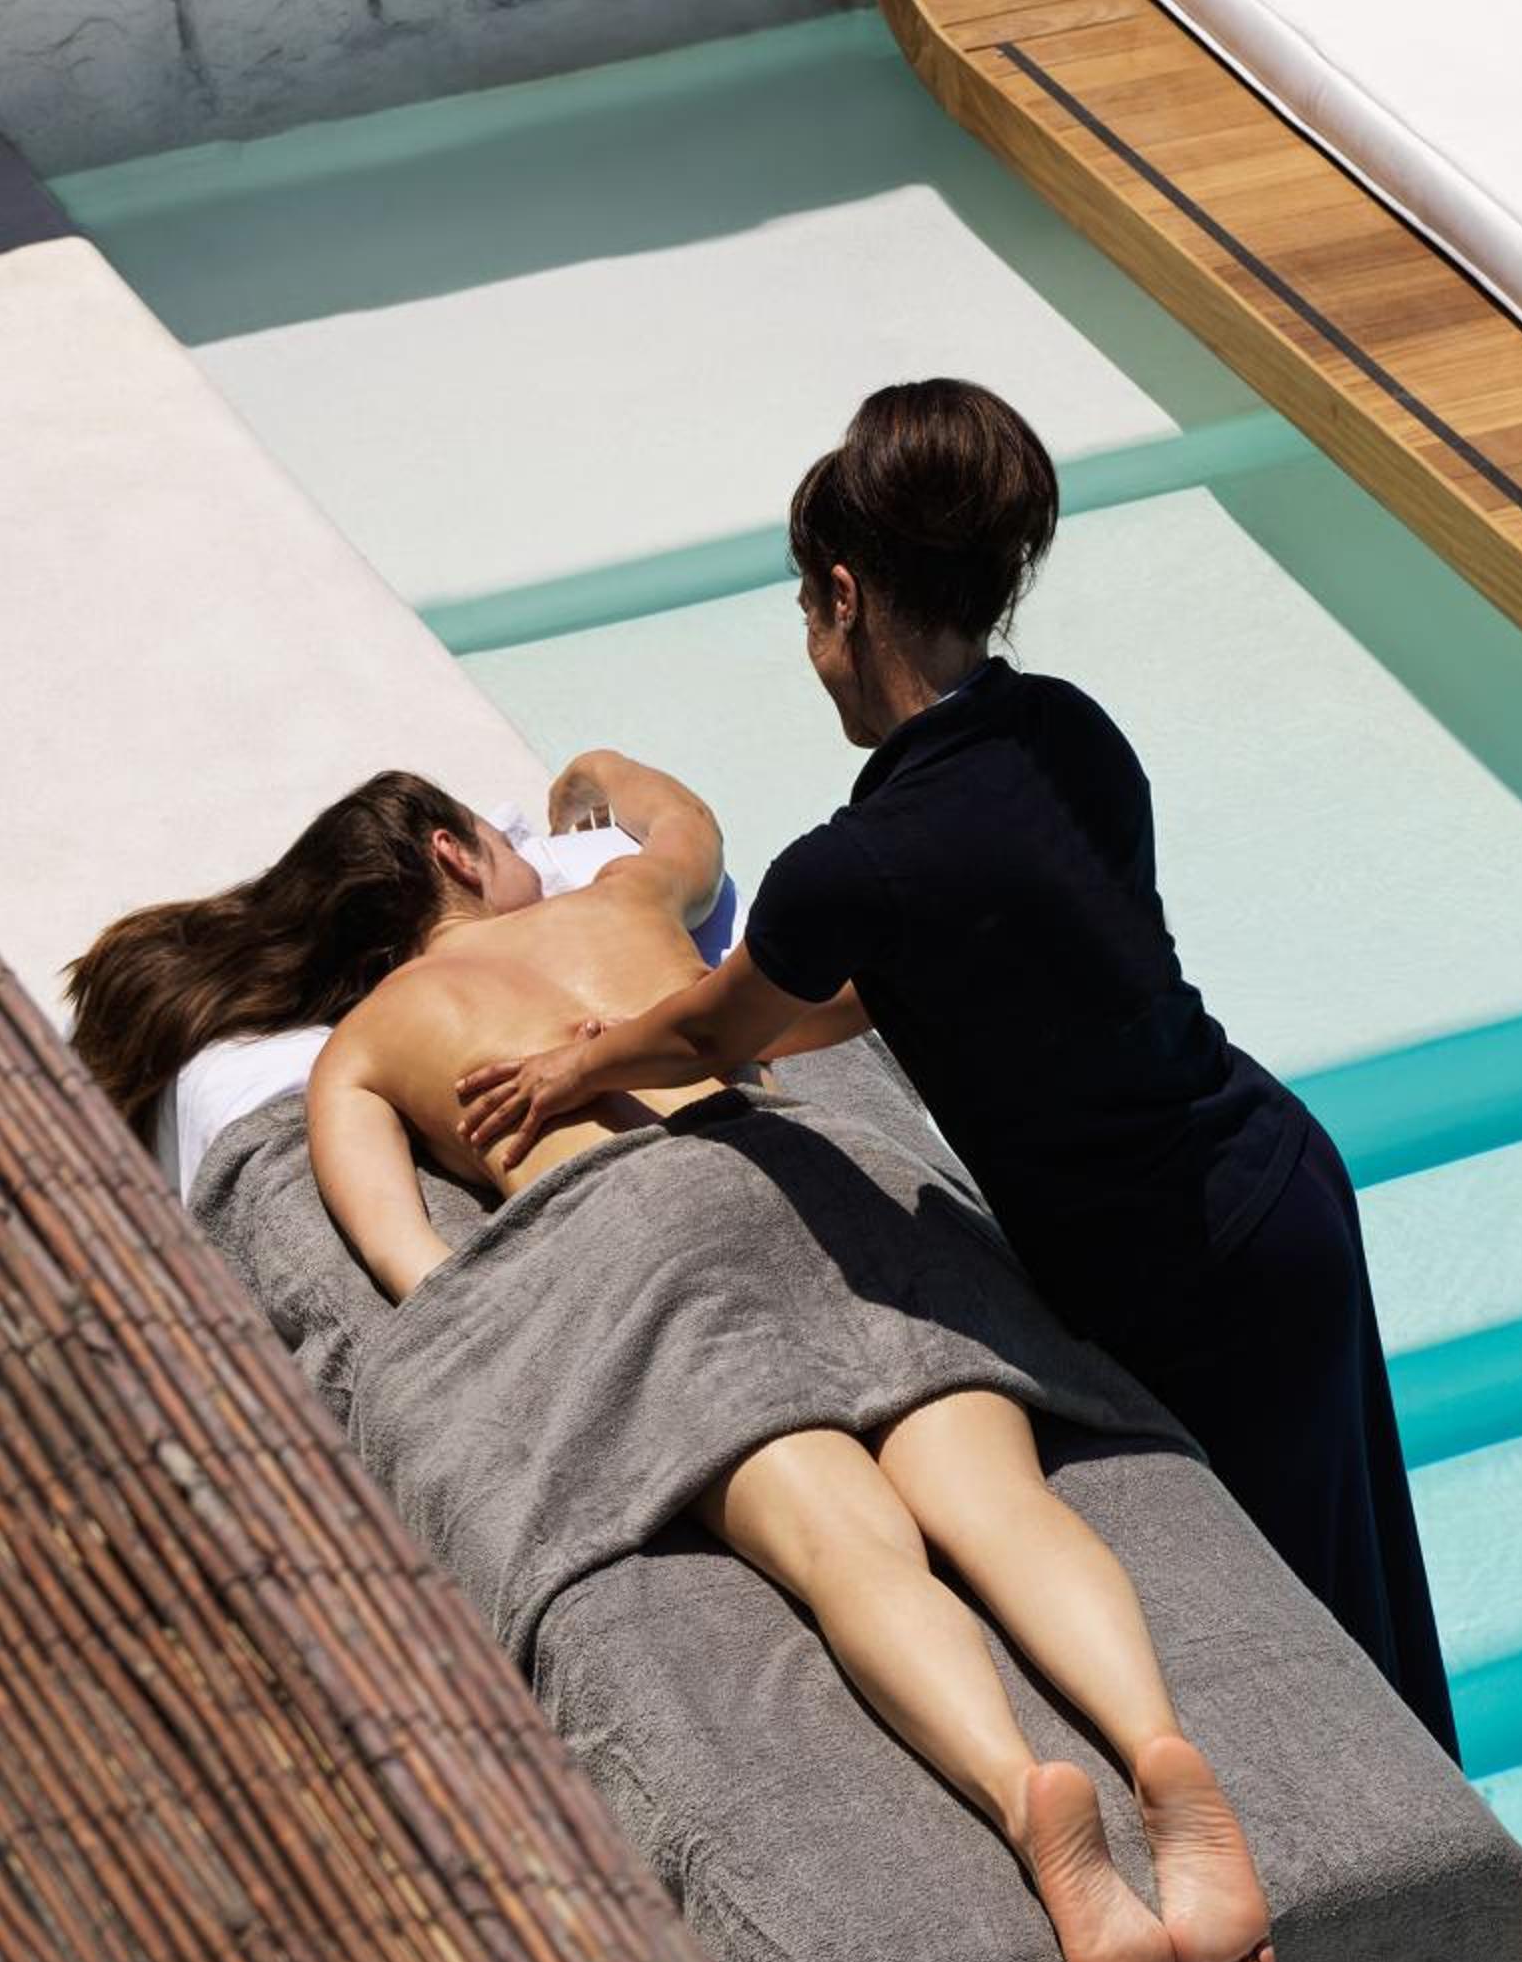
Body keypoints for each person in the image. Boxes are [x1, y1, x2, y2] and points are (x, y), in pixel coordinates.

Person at [65, 757, 1275, 1962]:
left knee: (850, 1550)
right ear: (451, 852)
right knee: (999, 1501)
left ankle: (1027, 1794)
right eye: (497, 837)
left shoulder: (360, 1050)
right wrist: (598, 774)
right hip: (809, 1169)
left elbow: (420, 1277)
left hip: (647, 1247)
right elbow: (687, 822)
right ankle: (1156, 1746)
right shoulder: (626, 898)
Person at [456, 381, 1460, 1765]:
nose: (812, 651)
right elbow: (874, 992)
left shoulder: (857, 862)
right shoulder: (1066, 734)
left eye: (807, 611)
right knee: (1372, 1614)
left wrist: (576, 1067)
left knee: (1319, 1661)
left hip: (1195, 1277)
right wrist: (673, 1028)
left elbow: (712, 1036)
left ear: (846, 597)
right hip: (1279, 1189)